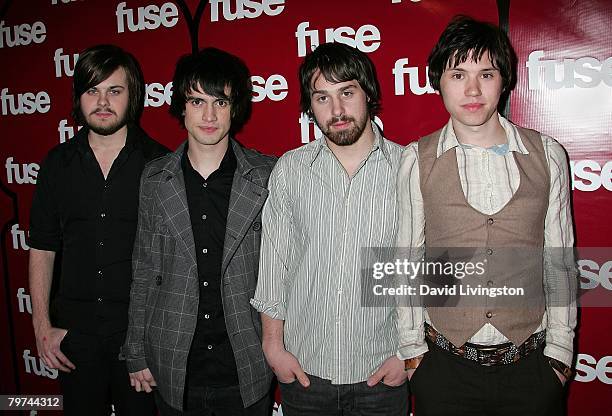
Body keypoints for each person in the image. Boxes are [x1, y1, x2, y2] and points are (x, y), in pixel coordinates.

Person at [396, 16, 577, 416]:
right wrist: (413, 355)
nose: (473, 89)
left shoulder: (548, 155)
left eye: (487, 73)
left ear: (505, 79)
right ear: (439, 80)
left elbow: (559, 260)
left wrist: (560, 355)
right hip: (444, 371)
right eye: (458, 73)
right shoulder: (416, 159)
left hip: (532, 370)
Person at [252, 42, 408, 416]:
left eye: (347, 93)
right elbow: (276, 264)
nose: (337, 111)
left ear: (368, 94)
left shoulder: (409, 168)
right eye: (322, 98)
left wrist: (408, 355)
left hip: (382, 371)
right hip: (306, 373)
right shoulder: (292, 169)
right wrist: (273, 348)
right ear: (310, 107)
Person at [123, 47, 276, 416]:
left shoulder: (269, 175)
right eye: (197, 101)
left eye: (220, 102)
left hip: (247, 362)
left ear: (235, 108)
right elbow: (143, 268)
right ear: (181, 106)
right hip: (174, 363)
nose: (209, 115)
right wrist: (136, 351)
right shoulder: (154, 178)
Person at [28, 44, 169, 415]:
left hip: (140, 340)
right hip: (75, 341)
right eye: (93, 90)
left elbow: (172, 261)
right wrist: (43, 325)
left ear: (132, 96)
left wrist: (160, 339)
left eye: (114, 90)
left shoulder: (159, 164)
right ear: (79, 98)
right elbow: (42, 247)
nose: (103, 101)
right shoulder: (57, 165)